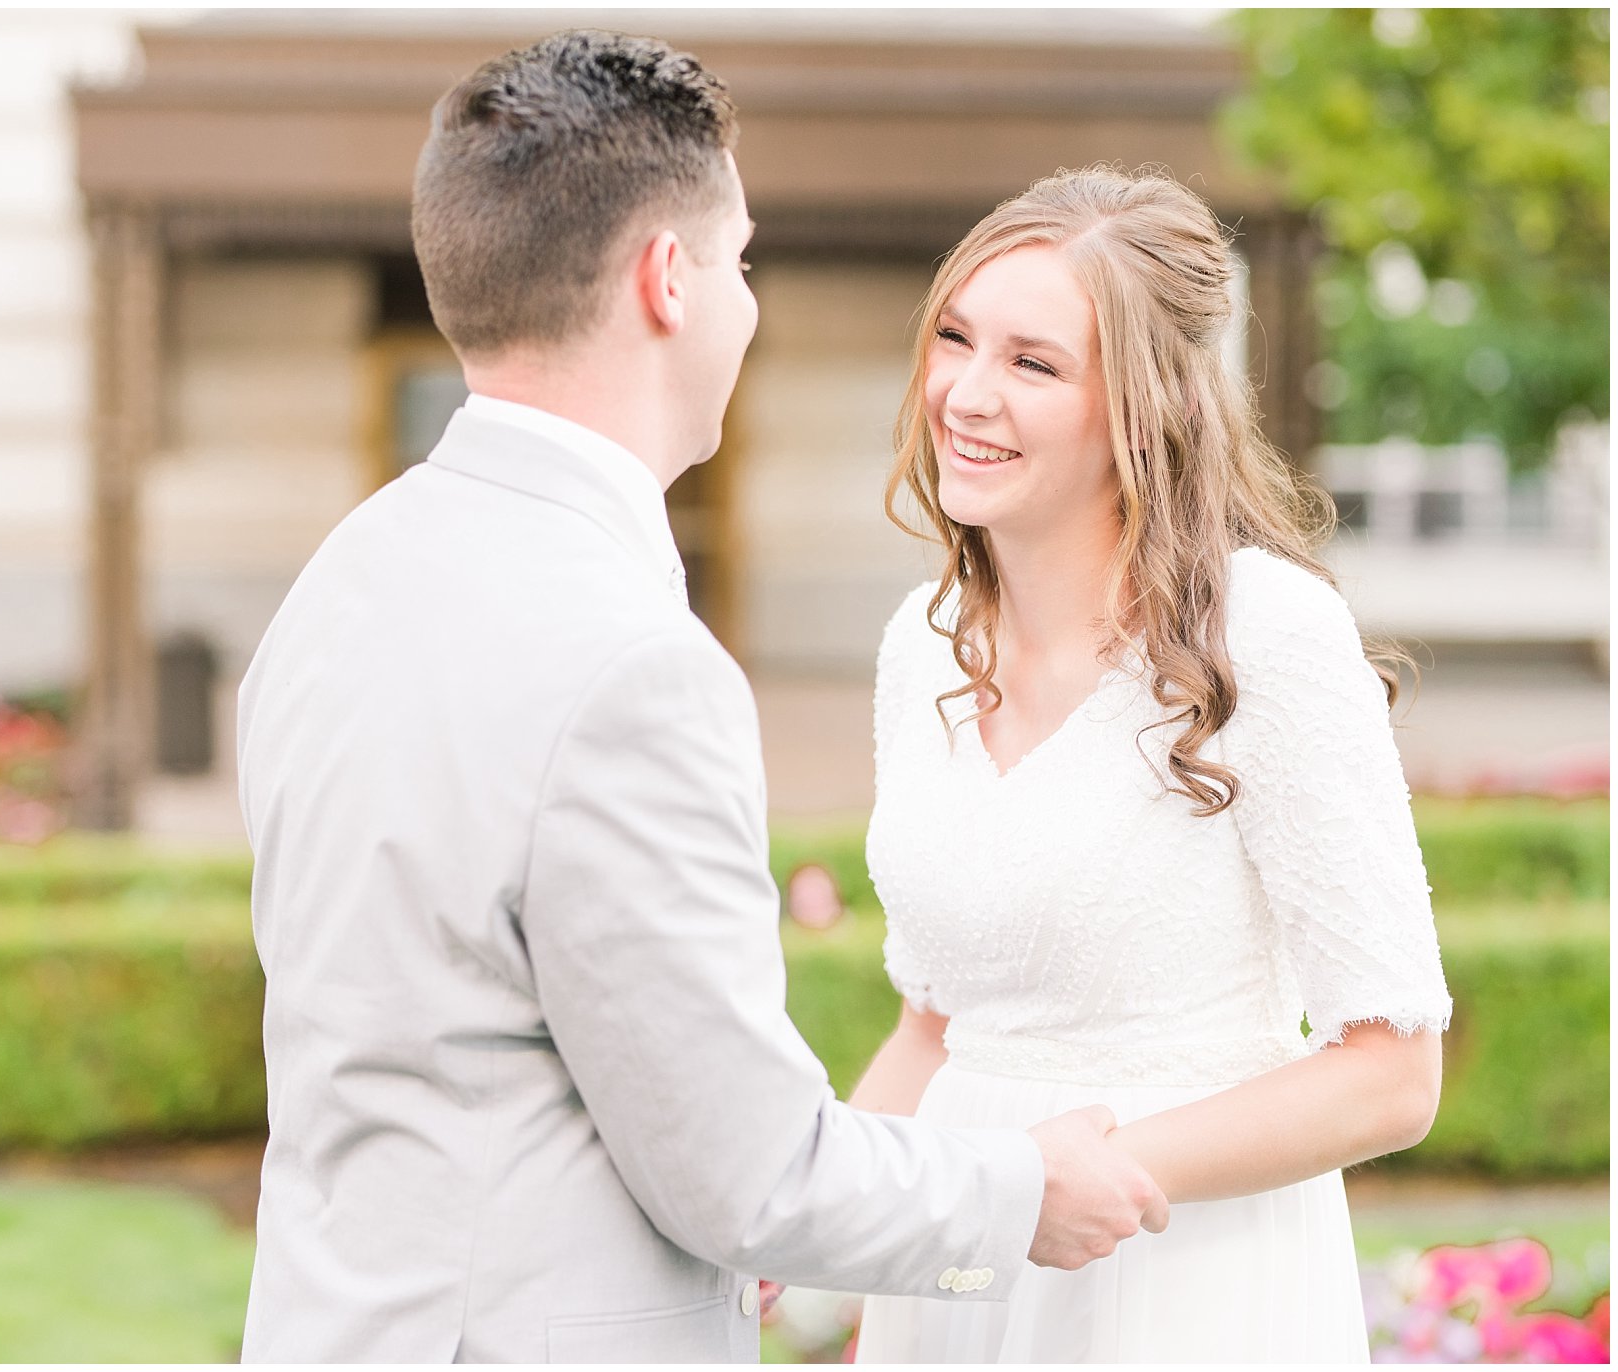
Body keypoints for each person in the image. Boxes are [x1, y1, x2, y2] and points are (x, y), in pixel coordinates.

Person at [234, 32, 1163, 1364]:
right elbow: (749, 1175)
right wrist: (1028, 1188)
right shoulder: (633, 668)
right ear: (668, 280)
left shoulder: (341, 582)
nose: (745, 301)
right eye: (738, 262)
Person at [850, 165, 1454, 1362]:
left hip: (1181, 1273)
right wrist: (807, 1215)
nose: (965, 393)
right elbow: (933, 1028)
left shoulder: (1264, 635)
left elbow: (1390, 1074)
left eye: (1032, 363)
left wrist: (1097, 1173)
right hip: (963, 1263)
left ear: (1143, 405)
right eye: (954, 339)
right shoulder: (915, 648)